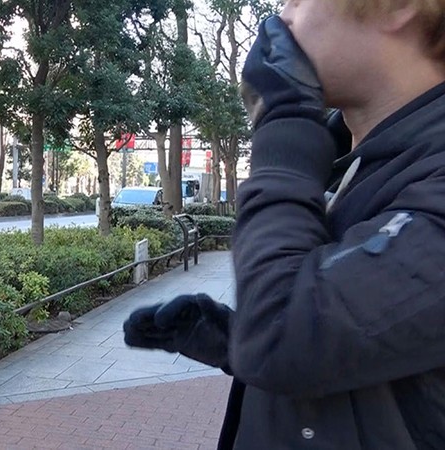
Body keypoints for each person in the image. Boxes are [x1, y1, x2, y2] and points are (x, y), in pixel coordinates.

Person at [124, 0, 445, 448]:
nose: (280, 18)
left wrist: (284, 127)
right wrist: (231, 339)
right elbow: (351, 342)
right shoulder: (345, 162)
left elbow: (288, 335)